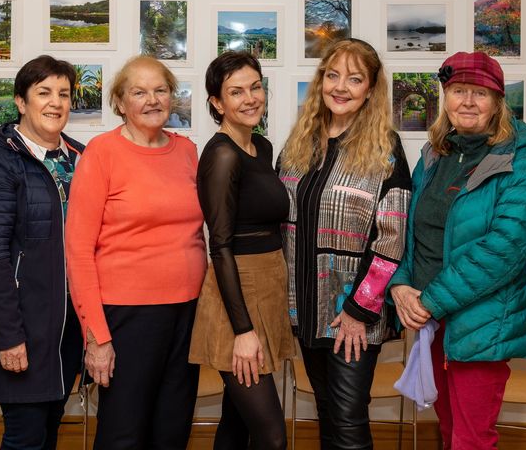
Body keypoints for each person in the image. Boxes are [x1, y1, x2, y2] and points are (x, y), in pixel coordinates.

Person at [388, 51, 526, 450]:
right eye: (459, 91)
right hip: (432, 322)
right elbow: (413, 230)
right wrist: (402, 284)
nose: (468, 101)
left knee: (471, 439)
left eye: (481, 93)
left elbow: (506, 248)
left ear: (497, 102)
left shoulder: (519, 160)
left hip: (481, 324)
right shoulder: (436, 154)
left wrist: (432, 300)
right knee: (448, 430)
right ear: (446, 96)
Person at [65, 55, 207, 449]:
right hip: (126, 316)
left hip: (187, 313)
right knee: (123, 434)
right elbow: (78, 252)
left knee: (172, 429)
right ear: (120, 102)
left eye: (160, 90)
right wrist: (97, 337)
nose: (152, 99)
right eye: (139, 92)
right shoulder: (101, 152)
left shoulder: (186, 152)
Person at [278, 38, 411, 449]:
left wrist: (358, 309)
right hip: (303, 309)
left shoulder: (385, 148)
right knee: (328, 416)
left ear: (370, 89)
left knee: (350, 423)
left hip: (350, 313)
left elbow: (392, 238)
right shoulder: (301, 142)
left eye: (354, 79)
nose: (341, 87)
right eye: (332, 76)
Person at [0, 56, 85, 450]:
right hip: (22, 327)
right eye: (44, 93)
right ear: (21, 101)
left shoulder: (81, 158)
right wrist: (8, 337)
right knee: (25, 438)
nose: (56, 103)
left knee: (49, 429)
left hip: (67, 327)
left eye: (64, 94)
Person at [189, 52, 295, 450]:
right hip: (236, 296)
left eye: (255, 87)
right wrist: (243, 330)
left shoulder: (261, 147)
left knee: (237, 423)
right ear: (217, 103)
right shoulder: (221, 155)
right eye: (236, 92)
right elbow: (220, 245)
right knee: (271, 437)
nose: (250, 98)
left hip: (267, 287)